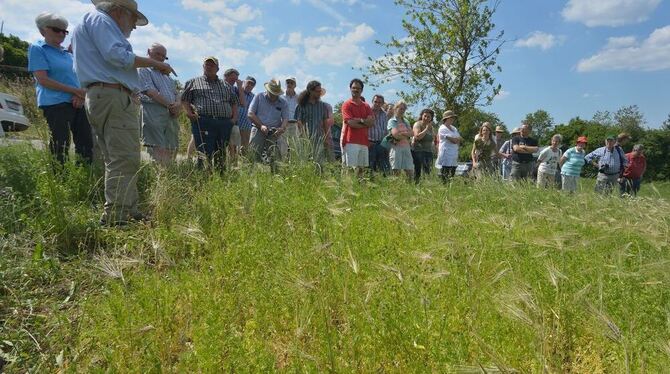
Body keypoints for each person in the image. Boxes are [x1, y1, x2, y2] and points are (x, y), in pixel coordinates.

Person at [72, 0, 175, 226]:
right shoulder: (102, 21)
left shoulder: (90, 23)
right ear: (119, 12)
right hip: (111, 96)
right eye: (133, 19)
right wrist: (155, 64)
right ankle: (117, 217)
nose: (134, 26)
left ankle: (128, 209)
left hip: (104, 94)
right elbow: (118, 56)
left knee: (118, 157)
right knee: (123, 157)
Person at [28, 12, 93, 165]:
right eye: (57, 30)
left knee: (86, 143)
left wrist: (80, 95)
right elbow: (43, 79)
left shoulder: (68, 54)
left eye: (65, 31)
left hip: (77, 102)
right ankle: (60, 180)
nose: (62, 34)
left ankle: (84, 177)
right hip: (55, 103)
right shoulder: (38, 48)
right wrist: (75, 91)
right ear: (43, 30)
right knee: (60, 144)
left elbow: (79, 77)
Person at [181, 57, 239, 170]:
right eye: (207, 65)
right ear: (203, 67)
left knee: (221, 152)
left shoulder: (226, 85)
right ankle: (203, 177)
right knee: (203, 153)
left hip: (224, 123)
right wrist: (188, 113)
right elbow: (184, 99)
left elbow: (234, 102)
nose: (209, 67)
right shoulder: (193, 82)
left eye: (212, 65)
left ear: (217, 69)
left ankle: (220, 177)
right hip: (203, 121)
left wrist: (233, 119)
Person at [138, 43, 180, 166]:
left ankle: (168, 175)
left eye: (164, 56)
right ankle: (161, 176)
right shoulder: (144, 69)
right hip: (153, 110)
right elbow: (150, 92)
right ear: (148, 52)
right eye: (158, 54)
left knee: (172, 147)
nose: (161, 58)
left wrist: (177, 104)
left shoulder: (167, 76)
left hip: (171, 114)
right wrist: (170, 105)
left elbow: (176, 93)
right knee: (158, 148)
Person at [247, 79, 289, 164]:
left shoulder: (283, 102)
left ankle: (275, 175)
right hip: (258, 129)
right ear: (267, 90)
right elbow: (250, 113)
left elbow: (285, 119)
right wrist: (261, 126)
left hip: (274, 132)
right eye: (272, 93)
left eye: (276, 93)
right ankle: (251, 175)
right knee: (253, 155)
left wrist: (282, 128)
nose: (274, 95)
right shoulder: (259, 97)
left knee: (275, 158)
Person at [341, 78, 373, 178]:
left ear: (362, 90)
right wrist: (364, 122)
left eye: (358, 88)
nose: (356, 90)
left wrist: (359, 120)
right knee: (350, 169)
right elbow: (350, 123)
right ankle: (348, 190)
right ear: (350, 89)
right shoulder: (346, 104)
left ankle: (360, 191)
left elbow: (371, 122)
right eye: (353, 88)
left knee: (361, 170)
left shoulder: (366, 106)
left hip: (364, 142)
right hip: (350, 141)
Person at [294, 80, 329, 163]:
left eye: (320, 91)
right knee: (305, 163)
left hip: (319, 139)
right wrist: (304, 136)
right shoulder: (301, 105)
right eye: (317, 91)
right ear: (310, 91)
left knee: (319, 164)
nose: (319, 93)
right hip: (304, 140)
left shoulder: (323, 106)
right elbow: (298, 122)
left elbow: (325, 123)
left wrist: (326, 138)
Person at [222, 68, 246, 160]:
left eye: (235, 79)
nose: (233, 81)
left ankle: (233, 163)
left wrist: (240, 88)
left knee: (234, 144)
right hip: (222, 119)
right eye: (232, 79)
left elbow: (243, 103)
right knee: (223, 143)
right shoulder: (220, 86)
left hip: (234, 120)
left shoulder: (236, 89)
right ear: (225, 77)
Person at [387, 101, 414, 179]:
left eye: (404, 109)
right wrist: (406, 134)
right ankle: (396, 188)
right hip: (396, 148)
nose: (402, 110)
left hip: (406, 147)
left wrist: (402, 133)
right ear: (396, 108)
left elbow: (412, 133)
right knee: (396, 170)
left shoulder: (406, 121)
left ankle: (409, 188)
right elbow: (395, 135)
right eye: (400, 108)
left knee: (409, 170)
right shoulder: (392, 121)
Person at [435, 110, 462, 183]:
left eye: (453, 118)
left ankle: (450, 185)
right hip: (446, 153)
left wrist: (456, 139)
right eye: (451, 117)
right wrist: (455, 139)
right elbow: (454, 140)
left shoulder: (454, 128)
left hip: (454, 153)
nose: (453, 119)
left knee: (453, 169)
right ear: (446, 118)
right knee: (445, 171)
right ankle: (444, 186)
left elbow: (459, 139)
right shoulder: (442, 128)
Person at [368, 94, 390, 175]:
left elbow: (385, 130)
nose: (377, 104)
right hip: (369, 143)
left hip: (381, 143)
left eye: (380, 102)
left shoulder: (384, 114)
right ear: (372, 101)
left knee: (383, 168)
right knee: (370, 167)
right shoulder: (367, 111)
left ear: (382, 103)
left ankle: (382, 185)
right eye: (375, 101)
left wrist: (385, 144)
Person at [411, 108, 435, 183]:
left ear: (431, 118)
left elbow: (433, 138)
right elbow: (417, 137)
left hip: (428, 151)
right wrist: (426, 129)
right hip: (418, 151)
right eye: (425, 116)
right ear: (421, 116)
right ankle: (416, 185)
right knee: (418, 171)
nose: (426, 118)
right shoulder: (417, 124)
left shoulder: (431, 127)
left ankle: (426, 185)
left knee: (428, 171)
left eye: (429, 117)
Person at [237, 76, 256, 153]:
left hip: (247, 126)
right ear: (244, 82)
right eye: (248, 83)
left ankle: (243, 164)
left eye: (252, 84)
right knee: (233, 147)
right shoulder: (237, 91)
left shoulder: (254, 97)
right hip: (236, 124)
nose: (250, 85)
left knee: (244, 148)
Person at [280, 76, 299, 157]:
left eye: (292, 83)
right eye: (288, 82)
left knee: (294, 146)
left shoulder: (298, 98)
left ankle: (293, 166)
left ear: (295, 85)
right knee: (282, 145)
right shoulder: (280, 96)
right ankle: (282, 164)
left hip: (294, 124)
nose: (289, 84)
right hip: (283, 123)